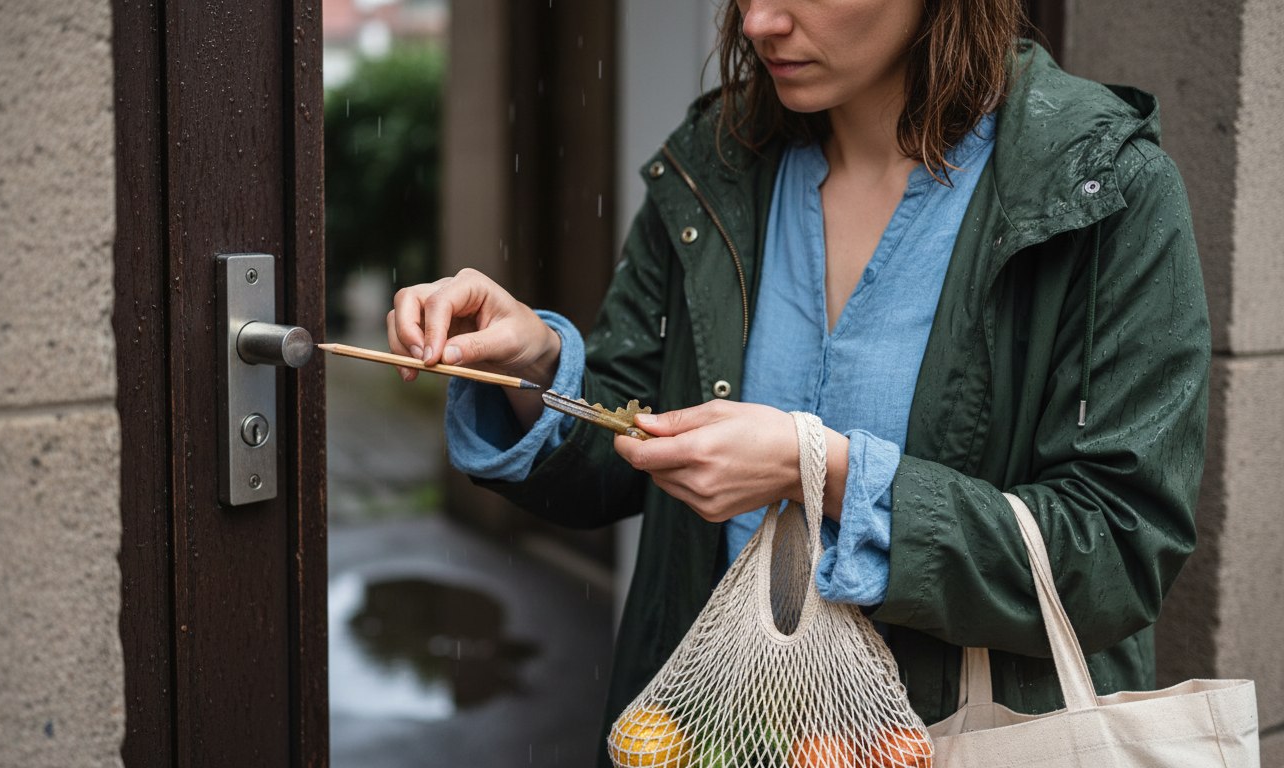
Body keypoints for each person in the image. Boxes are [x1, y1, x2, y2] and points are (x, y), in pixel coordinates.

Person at [387, 0, 1209, 760]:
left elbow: (1118, 553)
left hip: (950, 737)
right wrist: (534, 362)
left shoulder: (1101, 188)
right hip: (704, 732)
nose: (759, 20)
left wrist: (821, 468)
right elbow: (615, 455)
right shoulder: (717, 164)